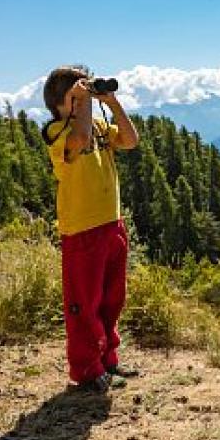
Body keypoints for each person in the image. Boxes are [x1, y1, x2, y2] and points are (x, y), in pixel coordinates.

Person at [41, 65, 140, 393]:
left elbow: (130, 140)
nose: (83, 100)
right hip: (81, 230)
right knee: (84, 303)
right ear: (59, 103)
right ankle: (85, 370)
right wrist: (83, 102)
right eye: (75, 95)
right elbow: (80, 140)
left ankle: (107, 359)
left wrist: (110, 103)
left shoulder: (98, 125)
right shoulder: (56, 132)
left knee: (112, 298)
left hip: (111, 224)